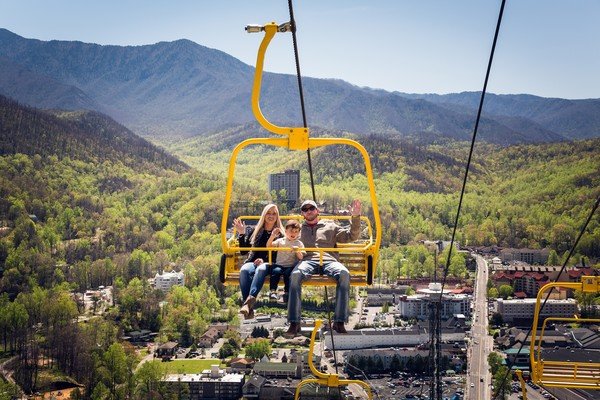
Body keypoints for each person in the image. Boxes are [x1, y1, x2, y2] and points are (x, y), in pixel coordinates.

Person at [285, 199, 362, 337]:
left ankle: (339, 321)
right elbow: (282, 239)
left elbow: (352, 236)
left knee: (344, 273)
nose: (309, 211)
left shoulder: (330, 226)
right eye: (305, 209)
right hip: (308, 259)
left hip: (328, 259)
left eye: (311, 208)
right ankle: (294, 322)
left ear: (317, 210)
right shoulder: (298, 230)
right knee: (295, 275)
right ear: (302, 214)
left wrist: (355, 217)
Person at [233, 203, 284, 319]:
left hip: (271, 263)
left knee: (261, 268)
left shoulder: (280, 233)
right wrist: (241, 233)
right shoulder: (256, 231)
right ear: (264, 215)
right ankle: (248, 306)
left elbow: (281, 253)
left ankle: (247, 304)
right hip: (253, 261)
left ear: (277, 216)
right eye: (268, 213)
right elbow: (244, 251)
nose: (271, 216)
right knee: (244, 270)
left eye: (274, 214)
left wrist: (264, 260)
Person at [266, 219, 306, 302]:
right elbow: (269, 246)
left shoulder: (299, 243)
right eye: (291, 231)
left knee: (288, 275)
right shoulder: (281, 241)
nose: (293, 233)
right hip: (279, 264)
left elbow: (301, 257)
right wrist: (272, 236)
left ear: (299, 233)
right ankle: (273, 291)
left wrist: (297, 251)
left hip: (290, 265)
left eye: (296, 232)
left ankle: (287, 292)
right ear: (286, 231)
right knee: (275, 271)